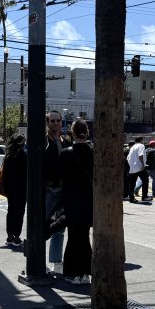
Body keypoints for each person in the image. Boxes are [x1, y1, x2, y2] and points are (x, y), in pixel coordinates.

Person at [58, 119, 93, 284]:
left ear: (72, 132)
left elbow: (61, 179)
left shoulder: (65, 153)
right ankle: (85, 273)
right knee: (85, 237)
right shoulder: (94, 153)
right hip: (88, 201)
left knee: (72, 237)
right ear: (87, 132)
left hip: (71, 201)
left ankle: (71, 273)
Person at [43, 110, 70, 275]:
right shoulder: (43, 141)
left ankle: (56, 262)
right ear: (47, 123)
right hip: (48, 190)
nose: (55, 123)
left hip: (63, 190)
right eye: (52, 121)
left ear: (61, 122)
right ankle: (38, 258)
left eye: (57, 120)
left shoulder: (66, 141)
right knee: (43, 225)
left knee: (59, 228)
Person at [3, 134, 27, 246]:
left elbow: (4, 175)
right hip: (21, 189)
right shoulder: (24, 156)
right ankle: (17, 236)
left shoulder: (8, 157)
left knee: (11, 211)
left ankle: (9, 236)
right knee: (19, 212)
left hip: (10, 189)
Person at [127, 136, 151, 202]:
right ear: (141, 140)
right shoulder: (141, 145)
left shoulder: (132, 147)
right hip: (139, 167)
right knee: (145, 180)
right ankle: (144, 196)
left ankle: (131, 198)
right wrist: (143, 165)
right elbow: (140, 155)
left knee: (132, 183)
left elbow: (128, 157)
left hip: (132, 168)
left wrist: (130, 166)